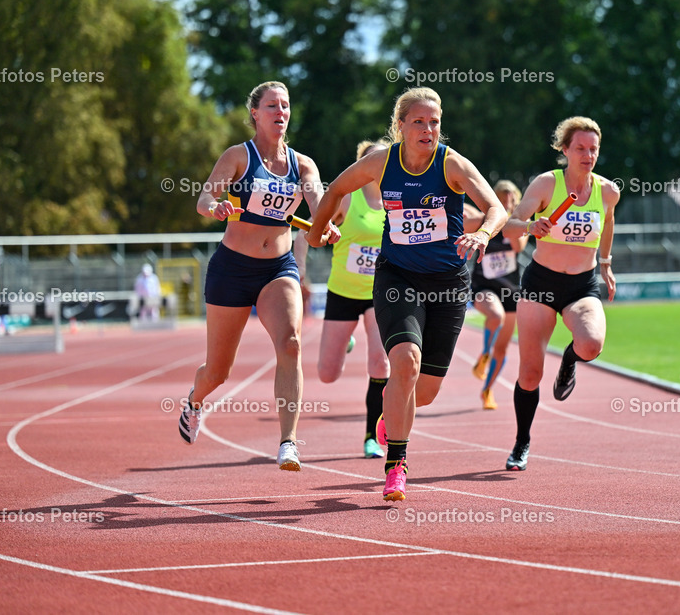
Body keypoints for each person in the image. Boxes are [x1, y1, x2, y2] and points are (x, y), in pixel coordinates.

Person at [306, 87, 506, 501]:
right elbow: (336, 189)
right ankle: (396, 466)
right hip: (398, 278)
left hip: (448, 284)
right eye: (418, 122)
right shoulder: (381, 162)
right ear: (400, 126)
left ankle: (390, 408)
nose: (428, 129)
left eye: (434, 122)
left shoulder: (452, 164)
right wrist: (315, 232)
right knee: (405, 361)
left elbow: (496, 208)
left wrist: (484, 234)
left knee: (425, 392)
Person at [176, 81, 339, 473]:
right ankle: (195, 401)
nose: (280, 112)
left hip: (277, 268)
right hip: (232, 269)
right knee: (218, 372)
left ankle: (288, 442)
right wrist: (215, 207)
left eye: (285, 106)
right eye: (272, 106)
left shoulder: (303, 166)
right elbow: (203, 199)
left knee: (291, 344)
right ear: (255, 113)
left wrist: (326, 228)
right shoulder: (238, 156)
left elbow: (319, 211)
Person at [500, 116, 620, 472]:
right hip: (540, 284)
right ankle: (522, 441)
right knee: (530, 374)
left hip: (581, 285)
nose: (588, 155)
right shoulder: (546, 184)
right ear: (565, 150)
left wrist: (605, 263)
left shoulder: (607, 191)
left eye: (593, 149)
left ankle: (569, 361)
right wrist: (530, 226)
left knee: (591, 345)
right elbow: (509, 227)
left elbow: (608, 221)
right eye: (580, 148)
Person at [313, 140, 391, 459]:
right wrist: (324, 232)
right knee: (327, 374)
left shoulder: (396, 200)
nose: (378, 164)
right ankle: (347, 341)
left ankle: (372, 436)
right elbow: (313, 232)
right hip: (343, 292)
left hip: (380, 292)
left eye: (383, 158)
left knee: (381, 362)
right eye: (372, 159)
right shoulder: (347, 197)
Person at [466, 181, 528, 410]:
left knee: (501, 349)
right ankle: (484, 355)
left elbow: (519, 247)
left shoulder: (519, 223)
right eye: (501, 198)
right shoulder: (484, 221)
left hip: (510, 291)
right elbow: (463, 222)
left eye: (510, 199)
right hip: (484, 286)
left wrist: (511, 218)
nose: (506, 202)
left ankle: (487, 390)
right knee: (495, 316)